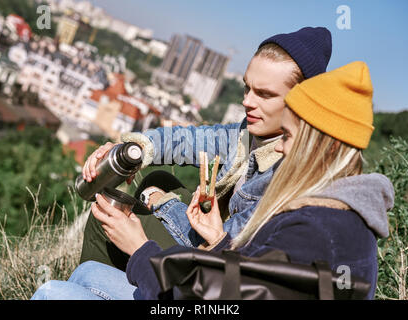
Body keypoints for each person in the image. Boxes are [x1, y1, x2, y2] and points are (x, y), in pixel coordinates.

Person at [32, 61, 394, 300]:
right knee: (87, 272)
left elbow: (211, 298)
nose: (279, 150)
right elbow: (249, 283)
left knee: (52, 292)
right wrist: (220, 240)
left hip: (184, 291)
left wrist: (141, 247)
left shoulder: (313, 228)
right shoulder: (327, 210)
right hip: (197, 277)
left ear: (319, 147)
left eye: (287, 136)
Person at [79, 27, 333, 269]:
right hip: (215, 243)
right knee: (158, 178)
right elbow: (189, 140)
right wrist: (131, 150)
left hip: (219, 269)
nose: (247, 101)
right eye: (246, 87)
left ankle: (97, 286)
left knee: (105, 215)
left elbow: (230, 243)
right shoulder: (250, 133)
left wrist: (162, 202)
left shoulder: (293, 172)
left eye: (264, 94)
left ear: (302, 102)